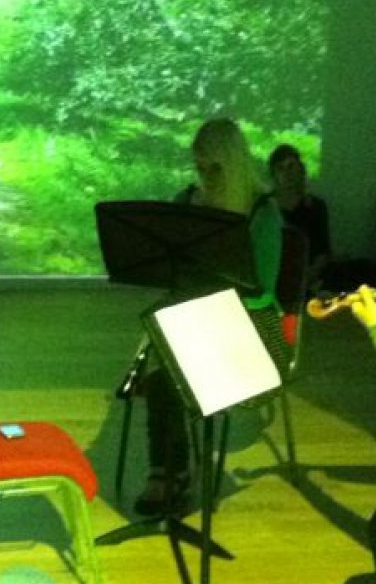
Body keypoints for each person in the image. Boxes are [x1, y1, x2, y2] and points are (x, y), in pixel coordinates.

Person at [134, 118, 288, 516]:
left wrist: (213, 305)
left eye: (214, 168)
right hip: (200, 320)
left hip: (251, 328)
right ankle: (170, 471)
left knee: (167, 374)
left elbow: (265, 293)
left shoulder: (263, 213)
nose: (205, 177)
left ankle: (170, 473)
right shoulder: (188, 202)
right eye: (199, 168)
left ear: (234, 163)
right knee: (164, 370)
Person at [268, 143, 331, 289]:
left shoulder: (316, 206)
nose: (287, 173)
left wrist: (307, 277)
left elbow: (323, 252)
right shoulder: (265, 207)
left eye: (291, 166)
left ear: (300, 170)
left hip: (309, 282)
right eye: (280, 168)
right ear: (274, 174)